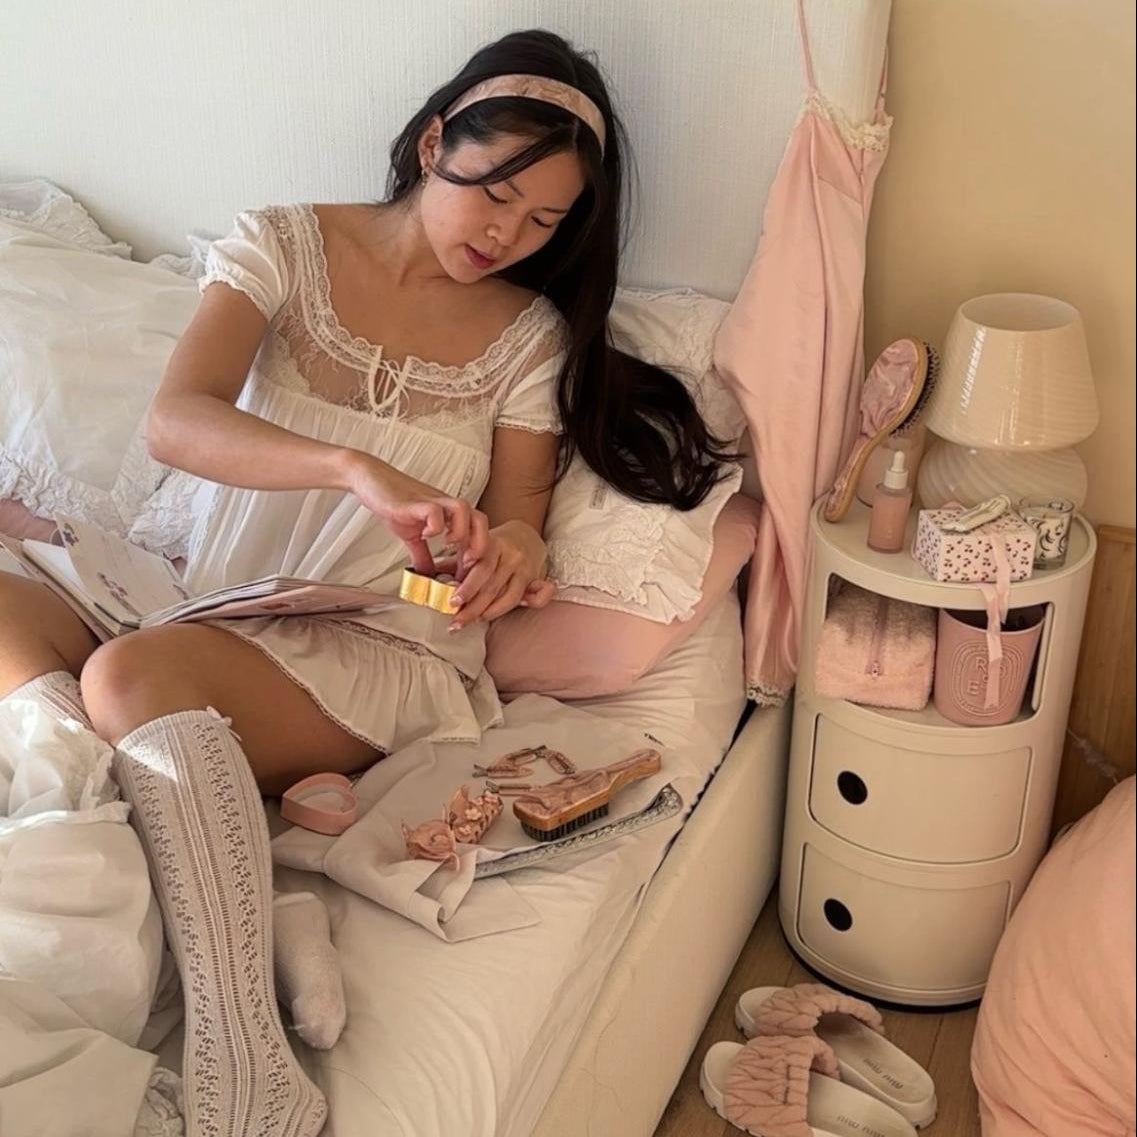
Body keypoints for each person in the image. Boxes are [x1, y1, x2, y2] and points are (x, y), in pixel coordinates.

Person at [0, 29, 731, 1137]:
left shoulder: (528, 338)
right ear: (435, 143)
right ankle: (250, 901)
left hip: (367, 643)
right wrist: (351, 467)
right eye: (496, 193)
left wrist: (510, 557)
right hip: (194, 588)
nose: (508, 235)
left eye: (545, 221)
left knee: (130, 682)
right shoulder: (284, 244)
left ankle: (245, 1045)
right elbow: (177, 421)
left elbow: (522, 523)